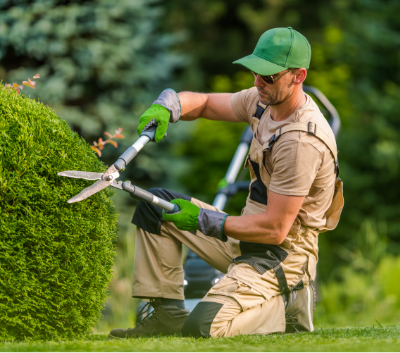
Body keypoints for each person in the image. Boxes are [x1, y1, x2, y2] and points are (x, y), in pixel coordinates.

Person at [109, 27, 344, 339]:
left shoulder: (302, 140)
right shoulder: (264, 102)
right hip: (246, 238)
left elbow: (275, 230)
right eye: (255, 72)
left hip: (283, 258)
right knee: (155, 207)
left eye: (268, 76)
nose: (258, 82)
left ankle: (286, 305)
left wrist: (205, 220)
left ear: (298, 76)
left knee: (203, 327)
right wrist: (169, 105)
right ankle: (166, 318)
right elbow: (205, 103)